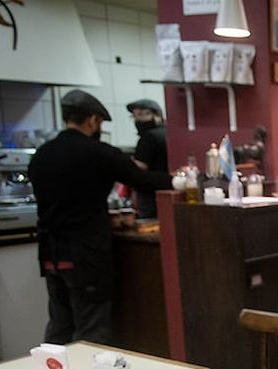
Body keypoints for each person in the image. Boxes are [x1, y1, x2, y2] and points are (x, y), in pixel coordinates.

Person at [28, 89, 172, 345]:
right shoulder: (97, 152)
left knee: (60, 325)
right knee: (91, 329)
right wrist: (184, 180)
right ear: (93, 120)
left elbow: (63, 202)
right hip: (85, 255)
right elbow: (142, 180)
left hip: (51, 255)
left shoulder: (42, 154)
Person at [126, 98, 168, 219]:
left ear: (157, 115)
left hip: (150, 195)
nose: (137, 120)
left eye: (142, 114)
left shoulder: (148, 137)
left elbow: (140, 166)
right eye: (135, 116)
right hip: (168, 191)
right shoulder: (169, 133)